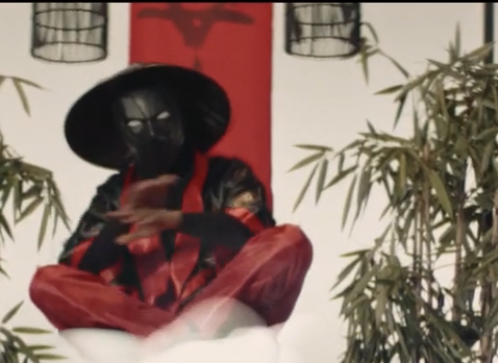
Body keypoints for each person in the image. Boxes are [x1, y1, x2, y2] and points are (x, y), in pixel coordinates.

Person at [27, 63, 313, 341]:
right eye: (135, 124)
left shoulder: (226, 175)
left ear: (182, 118)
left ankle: (186, 331)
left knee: (289, 241)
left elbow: (248, 235)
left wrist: (175, 219)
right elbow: (79, 270)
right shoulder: (114, 192)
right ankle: (176, 336)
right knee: (47, 282)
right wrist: (123, 221)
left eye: (162, 118)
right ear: (122, 133)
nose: (151, 133)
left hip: (218, 306)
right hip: (141, 322)